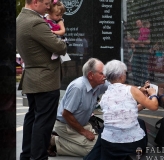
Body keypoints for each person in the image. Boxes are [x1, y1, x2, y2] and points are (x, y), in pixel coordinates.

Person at [16, 0, 67, 159]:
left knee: (33, 119)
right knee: (43, 124)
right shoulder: (36, 23)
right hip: (45, 79)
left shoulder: (20, 19)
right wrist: (62, 41)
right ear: (35, 2)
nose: (49, 6)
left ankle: (28, 155)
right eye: (46, 3)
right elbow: (60, 47)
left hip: (32, 78)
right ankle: (38, 157)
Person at [83, 60, 158, 160]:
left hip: (109, 144)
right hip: (132, 144)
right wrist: (153, 94)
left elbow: (124, 111)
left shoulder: (105, 95)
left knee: (107, 129)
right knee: (140, 123)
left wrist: (142, 105)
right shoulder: (132, 90)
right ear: (121, 76)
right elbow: (154, 106)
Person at [48, 58, 108, 157]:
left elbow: (117, 87)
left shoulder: (98, 84)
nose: (105, 76)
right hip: (66, 125)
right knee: (94, 150)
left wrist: (139, 90)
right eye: (101, 73)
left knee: (101, 146)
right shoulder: (78, 87)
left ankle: (60, 140)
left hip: (82, 124)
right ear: (90, 75)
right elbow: (66, 114)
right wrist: (84, 132)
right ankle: (54, 141)